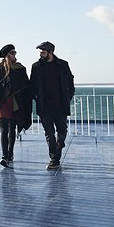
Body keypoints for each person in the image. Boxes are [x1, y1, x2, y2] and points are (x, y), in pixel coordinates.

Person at [29, 41, 75, 170]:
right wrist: (36, 97)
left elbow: (70, 82)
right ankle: (54, 159)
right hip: (44, 106)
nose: (41, 55)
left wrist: (69, 96)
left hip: (60, 105)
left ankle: (59, 145)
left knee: (62, 131)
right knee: (49, 133)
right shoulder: (36, 66)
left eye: (43, 52)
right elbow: (32, 84)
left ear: (51, 52)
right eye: (40, 52)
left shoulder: (63, 65)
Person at [0, 44, 32, 168]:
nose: (15, 55)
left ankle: (10, 153)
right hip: (3, 103)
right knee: (4, 129)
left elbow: (25, 86)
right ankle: (4, 156)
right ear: (7, 55)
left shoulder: (20, 68)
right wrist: (4, 84)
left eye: (15, 52)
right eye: (12, 52)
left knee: (12, 128)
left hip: (15, 102)